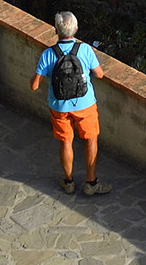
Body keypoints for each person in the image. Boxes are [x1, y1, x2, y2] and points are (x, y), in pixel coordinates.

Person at [31, 10, 109, 196]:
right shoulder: (85, 50)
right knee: (91, 139)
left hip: (59, 106)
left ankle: (68, 182)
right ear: (76, 29)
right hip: (85, 104)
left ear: (56, 30)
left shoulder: (48, 54)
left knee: (66, 142)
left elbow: (34, 86)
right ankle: (91, 182)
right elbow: (100, 74)